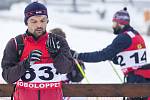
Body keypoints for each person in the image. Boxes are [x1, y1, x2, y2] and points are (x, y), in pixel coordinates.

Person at [1, 2, 74, 100]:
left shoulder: (59, 41)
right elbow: (8, 77)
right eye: (33, 21)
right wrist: (25, 64)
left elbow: (66, 69)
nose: (39, 25)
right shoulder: (16, 43)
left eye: (42, 20)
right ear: (26, 22)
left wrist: (56, 55)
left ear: (47, 21)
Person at [73, 7, 150, 100]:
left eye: (114, 23)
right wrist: (115, 58)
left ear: (121, 23)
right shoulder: (135, 34)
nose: (113, 26)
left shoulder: (123, 37)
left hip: (135, 81)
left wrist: (79, 56)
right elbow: (131, 57)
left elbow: (102, 55)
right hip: (143, 78)